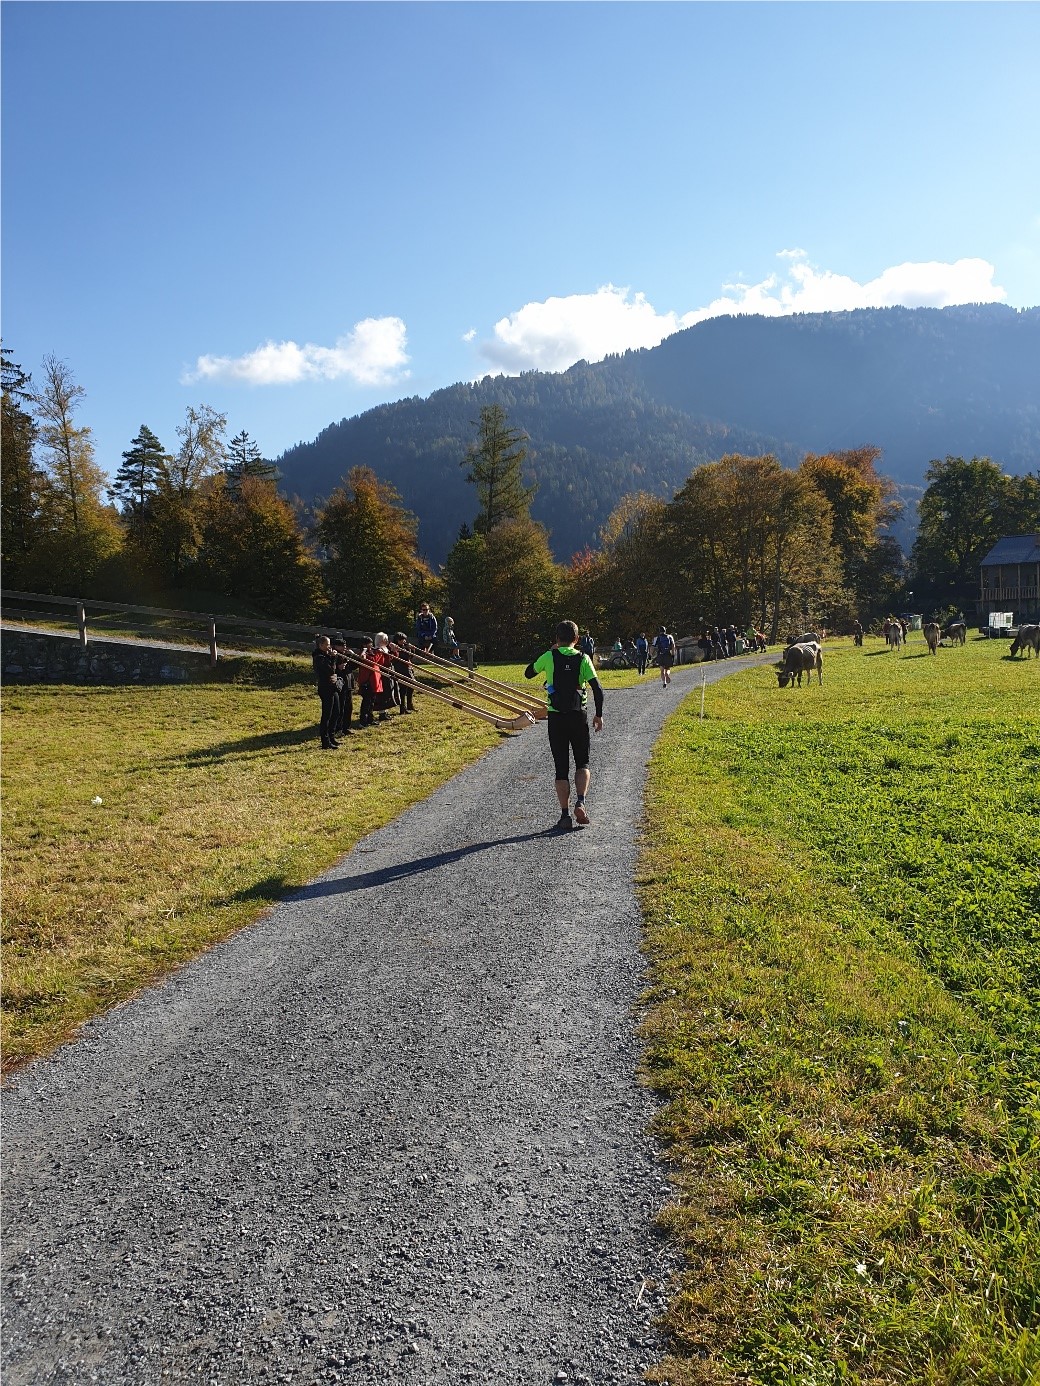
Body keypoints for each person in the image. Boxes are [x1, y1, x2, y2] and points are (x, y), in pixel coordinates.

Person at [524, 619, 604, 832]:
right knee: (583, 764)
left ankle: (565, 815)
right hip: (579, 716)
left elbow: (528, 672)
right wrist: (599, 715)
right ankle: (581, 802)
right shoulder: (583, 658)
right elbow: (597, 689)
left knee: (561, 768)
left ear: (556, 639)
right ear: (577, 640)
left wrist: (550, 652)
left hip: (556, 717)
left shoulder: (549, 656)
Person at [312, 634, 341, 749]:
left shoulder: (325, 655)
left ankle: (332, 736)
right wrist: (333, 657)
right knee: (327, 715)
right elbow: (331, 670)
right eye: (327, 644)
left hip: (332, 687)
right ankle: (325, 741)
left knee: (336, 712)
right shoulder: (319, 657)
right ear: (321, 645)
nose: (329, 647)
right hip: (325, 688)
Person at [356, 637, 382, 726]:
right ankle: (363, 721)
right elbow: (373, 661)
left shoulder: (372, 652)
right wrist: (379, 653)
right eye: (369, 643)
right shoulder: (363, 654)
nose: (371, 645)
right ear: (364, 645)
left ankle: (370, 719)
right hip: (367, 681)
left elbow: (380, 662)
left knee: (372, 701)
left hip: (375, 680)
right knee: (366, 702)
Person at [331, 636, 354, 735]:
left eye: (345, 646)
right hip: (340, 685)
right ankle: (338, 728)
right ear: (335, 646)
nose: (344, 648)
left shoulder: (345, 655)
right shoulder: (333, 656)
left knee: (349, 707)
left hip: (348, 683)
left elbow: (354, 667)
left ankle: (346, 727)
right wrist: (338, 668)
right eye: (341, 646)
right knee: (340, 707)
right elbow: (329, 668)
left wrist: (352, 656)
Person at [373, 632, 396, 720]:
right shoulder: (378, 650)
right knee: (382, 695)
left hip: (387, 673)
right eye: (384, 639)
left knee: (387, 692)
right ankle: (382, 713)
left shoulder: (385, 649)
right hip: (381, 674)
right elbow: (383, 663)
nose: (387, 641)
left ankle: (385, 711)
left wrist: (393, 652)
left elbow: (391, 660)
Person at [392, 633, 415, 712]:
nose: (403, 641)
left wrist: (412, 649)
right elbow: (403, 657)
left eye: (404, 639)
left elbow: (410, 657)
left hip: (408, 668)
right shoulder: (395, 648)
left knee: (412, 686)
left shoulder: (405, 647)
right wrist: (407, 649)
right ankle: (403, 707)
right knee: (403, 688)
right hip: (400, 668)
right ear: (397, 640)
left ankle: (409, 704)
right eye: (401, 640)